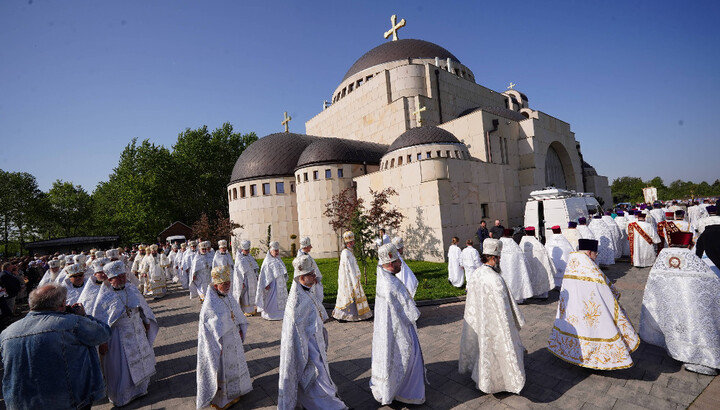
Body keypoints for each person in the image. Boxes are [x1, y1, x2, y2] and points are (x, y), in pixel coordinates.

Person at [0, 284, 111, 410]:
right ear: (63, 304)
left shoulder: (7, 333)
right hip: (66, 400)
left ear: (31, 305)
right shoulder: (72, 323)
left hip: (20, 403)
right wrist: (83, 316)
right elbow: (103, 334)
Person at [547, 239, 640, 370]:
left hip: (573, 310)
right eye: (596, 254)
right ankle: (593, 359)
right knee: (593, 331)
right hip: (590, 311)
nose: (596, 257)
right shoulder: (590, 269)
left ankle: (571, 354)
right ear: (590, 253)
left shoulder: (572, 264)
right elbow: (605, 289)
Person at [640, 232, 720, 376]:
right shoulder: (697, 265)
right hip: (694, 311)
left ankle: (676, 350)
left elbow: (652, 288)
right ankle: (699, 359)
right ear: (689, 245)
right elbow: (712, 287)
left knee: (675, 327)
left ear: (671, 243)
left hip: (671, 308)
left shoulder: (661, 262)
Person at [278, 255, 348, 410]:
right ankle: (333, 407)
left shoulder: (307, 292)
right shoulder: (296, 301)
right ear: (301, 277)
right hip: (307, 350)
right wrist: (307, 353)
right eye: (311, 274)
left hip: (316, 345)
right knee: (318, 377)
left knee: (317, 380)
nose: (314, 276)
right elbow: (294, 334)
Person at [458, 238, 525, 394]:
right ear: (494, 258)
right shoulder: (496, 279)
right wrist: (512, 325)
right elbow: (505, 309)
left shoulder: (477, 273)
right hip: (495, 324)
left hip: (480, 322)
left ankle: (482, 380)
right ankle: (500, 383)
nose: (500, 260)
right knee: (498, 351)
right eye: (499, 258)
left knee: (483, 351)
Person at [94, 261, 159, 406]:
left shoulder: (131, 288)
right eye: (118, 277)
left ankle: (141, 389)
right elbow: (100, 321)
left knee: (140, 359)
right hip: (118, 336)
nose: (123, 279)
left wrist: (146, 321)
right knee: (121, 367)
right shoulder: (104, 296)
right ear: (110, 279)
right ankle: (123, 396)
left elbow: (142, 307)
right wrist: (102, 342)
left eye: (123, 275)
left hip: (136, 330)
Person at [370, 243, 426, 405]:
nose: (401, 263)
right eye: (397, 262)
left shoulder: (383, 277)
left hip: (389, 330)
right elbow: (411, 314)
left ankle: (397, 390)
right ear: (389, 263)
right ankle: (409, 394)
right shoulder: (392, 285)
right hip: (401, 331)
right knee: (411, 360)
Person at [196, 265, 253, 409]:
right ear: (216, 285)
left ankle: (236, 392)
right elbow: (208, 331)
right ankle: (222, 400)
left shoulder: (227, 296)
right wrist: (217, 346)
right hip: (221, 344)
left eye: (229, 283)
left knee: (235, 366)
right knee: (223, 371)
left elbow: (236, 313)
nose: (228, 286)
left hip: (233, 339)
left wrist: (240, 327)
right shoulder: (209, 305)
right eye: (224, 284)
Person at [332, 232, 372, 321]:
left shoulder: (349, 252)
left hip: (352, 276)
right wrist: (354, 277)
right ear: (349, 242)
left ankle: (355, 314)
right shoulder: (346, 253)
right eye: (353, 241)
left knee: (352, 295)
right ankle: (342, 316)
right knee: (348, 295)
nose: (354, 242)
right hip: (348, 278)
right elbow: (348, 267)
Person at [499, 229, 534, 304]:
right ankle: (517, 298)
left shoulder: (499, 245)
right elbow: (523, 261)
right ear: (512, 235)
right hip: (514, 273)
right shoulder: (515, 247)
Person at [256, 241, 289, 321]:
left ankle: (281, 313)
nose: (277, 252)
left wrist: (284, 276)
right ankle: (271, 314)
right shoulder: (267, 262)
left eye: (278, 250)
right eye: (275, 251)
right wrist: (265, 284)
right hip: (272, 284)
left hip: (280, 284)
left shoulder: (279, 260)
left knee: (280, 299)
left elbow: (283, 270)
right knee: (272, 299)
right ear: (270, 251)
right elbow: (264, 274)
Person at [519, 227, 556, 296]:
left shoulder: (521, 245)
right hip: (537, 268)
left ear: (526, 233)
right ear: (534, 233)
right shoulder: (539, 245)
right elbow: (545, 258)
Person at [233, 240, 259, 316]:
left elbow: (255, 267)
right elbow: (238, 273)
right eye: (246, 250)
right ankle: (246, 310)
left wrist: (256, 275)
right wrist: (241, 283)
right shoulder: (239, 259)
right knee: (246, 295)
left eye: (248, 250)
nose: (247, 251)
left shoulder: (250, 256)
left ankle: (251, 309)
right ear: (242, 249)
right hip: (245, 280)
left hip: (252, 278)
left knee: (252, 294)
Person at [297, 237, 324, 302]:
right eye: (309, 246)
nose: (311, 247)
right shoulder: (301, 258)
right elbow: (303, 272)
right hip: (308, 281)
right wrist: (313, 278)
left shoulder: (307, 255)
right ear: (306, 247)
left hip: (312, 279)